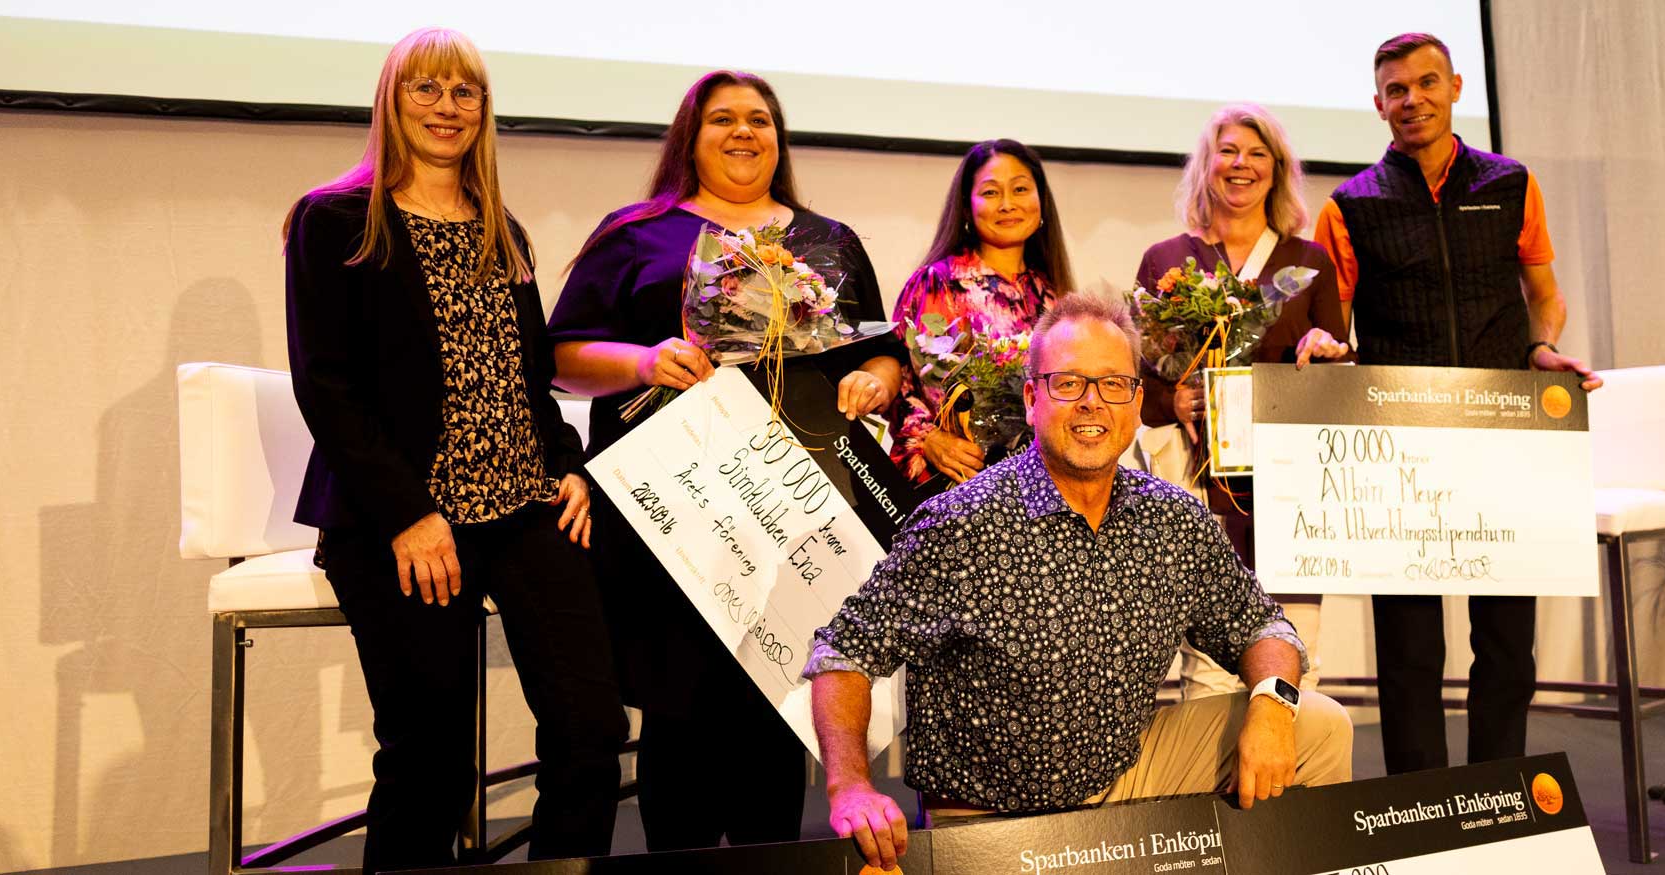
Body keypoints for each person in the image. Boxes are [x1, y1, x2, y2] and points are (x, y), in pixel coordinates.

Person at [806, 291, 1353, 870]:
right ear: (1032, 397)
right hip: (990, 823)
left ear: (1137, 401)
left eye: (1113, 384)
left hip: (1123, 776)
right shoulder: (963, 523)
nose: (1093, 403)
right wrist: (850, 787)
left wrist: (1272, 705)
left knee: (1317, 723)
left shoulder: (1169, 518)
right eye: (1068, 384)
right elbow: (846, 653)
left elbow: (1261, 625)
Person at [282, 27, 626, 872]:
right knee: (429, 755)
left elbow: (529, 379)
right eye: (426, 89)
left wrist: (569, 468)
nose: (447, 107)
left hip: (521, 502)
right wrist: (408, 515)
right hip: (400, 517)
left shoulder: (497, 228)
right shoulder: (333, 221)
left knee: (592, 730)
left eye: (464, 92)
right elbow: (326, 387)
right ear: (391, 101)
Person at [547, 70, 904, 851]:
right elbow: (564, 357)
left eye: (760, 120)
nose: (743, 133)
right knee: (678, 712)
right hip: (670, 511)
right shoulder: (634, 233)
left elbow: (883, 356)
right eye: (722, 119)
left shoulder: (827, 240)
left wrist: (871, 383)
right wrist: (645, 362)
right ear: (689, 136)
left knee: (779, 702)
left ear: (779, 138)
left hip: (790, 510)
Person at [1313, 32, 1601, 775]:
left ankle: (1497, 795)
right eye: (1398, 90)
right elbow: (1334, 324)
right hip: (1398, 445)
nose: (1414, 100)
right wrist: (1325, 350)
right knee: (1409, 650)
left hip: (1505, 431)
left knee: (1507, 641)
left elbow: (1544, 295)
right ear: (1379, 105)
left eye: (1427, 83)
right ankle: (1421, 808)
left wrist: (1542, 348)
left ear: (1456, 87)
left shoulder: (1512, 184)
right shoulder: (1348, 206)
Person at [1135, 103, 1351, 699]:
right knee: (1207, 663)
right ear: (1207, 165)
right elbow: (1138, 380)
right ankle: (1209, 783)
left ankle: (1298, 777)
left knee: (1296, 648)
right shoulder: (1166, 260)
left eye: (1258, 154)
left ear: (1278, 170)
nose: (1242, 165)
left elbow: (1341, 366)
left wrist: (1329, 348)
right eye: (1228, 151)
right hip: (1198, 483)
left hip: (1289, 486)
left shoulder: (1308, 262)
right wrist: (1173, 401)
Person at [891, 139, 1073, 485]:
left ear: (1041, 201)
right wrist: (929, 438)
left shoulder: (1055, 296)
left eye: (1020, 189)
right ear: (966, 206)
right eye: (990, 193)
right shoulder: (938, 282)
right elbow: (900, 385)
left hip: (1041, 484)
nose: (1007, 204)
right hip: (957, 480)